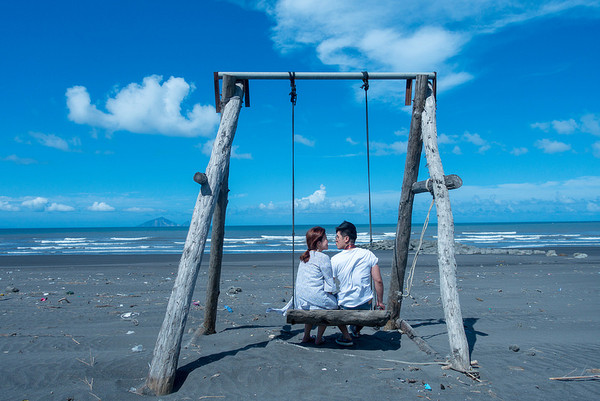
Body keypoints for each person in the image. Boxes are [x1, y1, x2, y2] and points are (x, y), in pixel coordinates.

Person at [294, 226, 352, 345]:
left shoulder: (305, 257)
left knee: (316, 303)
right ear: (318, 243)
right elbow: (329, 285)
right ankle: (319, 338)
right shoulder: (324, 258)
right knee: (333, 305)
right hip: (314, 300)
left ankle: (306, 336)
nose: (328, 241)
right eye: (325, 239)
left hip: (301, 301)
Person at [331, 221, 384, 341]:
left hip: (346, 305)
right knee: (365, 304)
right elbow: (378, 280)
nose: (335, 240)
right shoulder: (368, 254)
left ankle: (346, 335)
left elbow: (330, 284)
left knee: (332, 302)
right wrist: (380, 302)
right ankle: (356, 330)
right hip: (365, 304)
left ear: (346, 239)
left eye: (337, 237)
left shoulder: (335, 260)